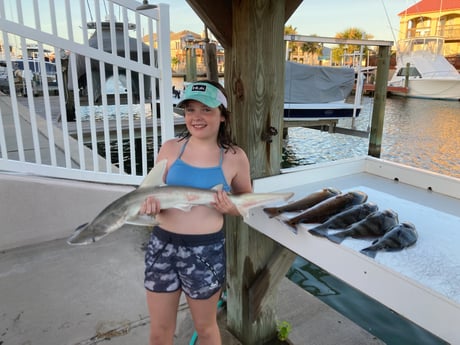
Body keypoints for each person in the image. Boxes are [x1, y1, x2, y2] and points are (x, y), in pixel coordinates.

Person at [139, 80, 252, 345]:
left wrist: (231, 208)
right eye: (190, 110)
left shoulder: (235, 157)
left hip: (205, 252)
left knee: (206, 328)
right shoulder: (170, 148)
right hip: (161, 246)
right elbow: (150, 191)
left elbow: (246, 201)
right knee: (160, 330)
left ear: (223, 116)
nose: (196, 117)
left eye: (206, 109)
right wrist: (149, 204)